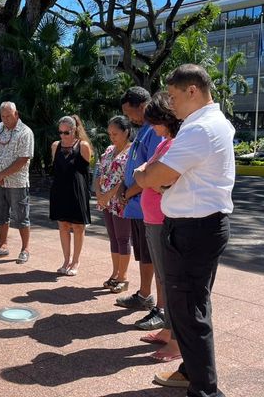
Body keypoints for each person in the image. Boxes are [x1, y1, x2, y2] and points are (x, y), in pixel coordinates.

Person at [134, 64, 234, 397]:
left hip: (193, 230)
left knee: (189, 311)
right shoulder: (209, 124)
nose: (171, 105)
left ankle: (205, 390)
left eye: (174, 96)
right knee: (190, 306)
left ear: (192, 90)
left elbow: (153, 177)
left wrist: (145, 174)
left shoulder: (199, 129)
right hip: (202, 227)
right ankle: (191, 372)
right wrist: (154, 174)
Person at [115, 87, 164, 331]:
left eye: (129, 112)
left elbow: (153, 169)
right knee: (144, 255)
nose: (129, 117)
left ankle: (161, 308)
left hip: (149, 207)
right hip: (137, 207)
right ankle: (144, 295)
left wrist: (129, 191)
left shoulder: (155, 130)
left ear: (142, 105)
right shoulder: (143, 130)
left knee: (156, 258)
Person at [139, 92, 182, 362]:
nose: (152, 128)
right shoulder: (163, 142)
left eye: (155, 122)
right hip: (152, 217)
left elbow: (157, 179)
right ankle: (168, 329)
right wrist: (145, 174)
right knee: (163, 278)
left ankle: (177, 339)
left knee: (171, 280)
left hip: (162, 218)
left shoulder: (174, 144)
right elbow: (146, 171)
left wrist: (146, 176)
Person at [0, 102, 34, 264]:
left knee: (21, 216)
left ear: (16, 114)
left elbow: (23, 159)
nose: (5, 119)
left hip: (17, 183)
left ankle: (25, 249)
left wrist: (1, 175)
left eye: (8, 116)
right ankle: (3, 245)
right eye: (3, 116)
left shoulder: (25, 132)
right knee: (0, 213)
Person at [49, 115, 92, 276]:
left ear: (74, 130)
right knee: (63, 226)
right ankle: (66, 260)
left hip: (77, 191)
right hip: (60, 190)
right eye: (60, 132)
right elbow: (56, 169)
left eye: (66, 132)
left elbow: (85, 173)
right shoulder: (55, 146)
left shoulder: (83, 146)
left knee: (78, 227)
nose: (63, 136)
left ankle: (76, 261)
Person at [94, 116, 133, 293]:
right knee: (113, 238)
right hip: (106, 201)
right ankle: (115, 273)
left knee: (123, 238)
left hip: (120, 200)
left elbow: (127, 177)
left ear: (126, 132)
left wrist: (109, 194)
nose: (112, 137)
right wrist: (99, 194)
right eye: (110, 134)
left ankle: (123, 277)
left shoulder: (132, 151)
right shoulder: (109, 150)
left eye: (115, 133)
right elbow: (99, 171)